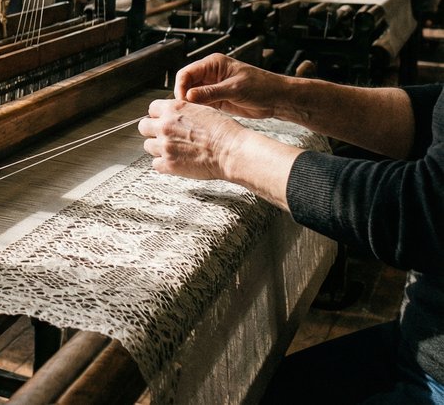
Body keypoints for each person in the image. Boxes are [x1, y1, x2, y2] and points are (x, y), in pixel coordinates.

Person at [139, 53, 444, 404]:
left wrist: (225, 150)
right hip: (419, 341)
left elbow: (424, 212)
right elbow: (432, 118)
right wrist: (284, 95)